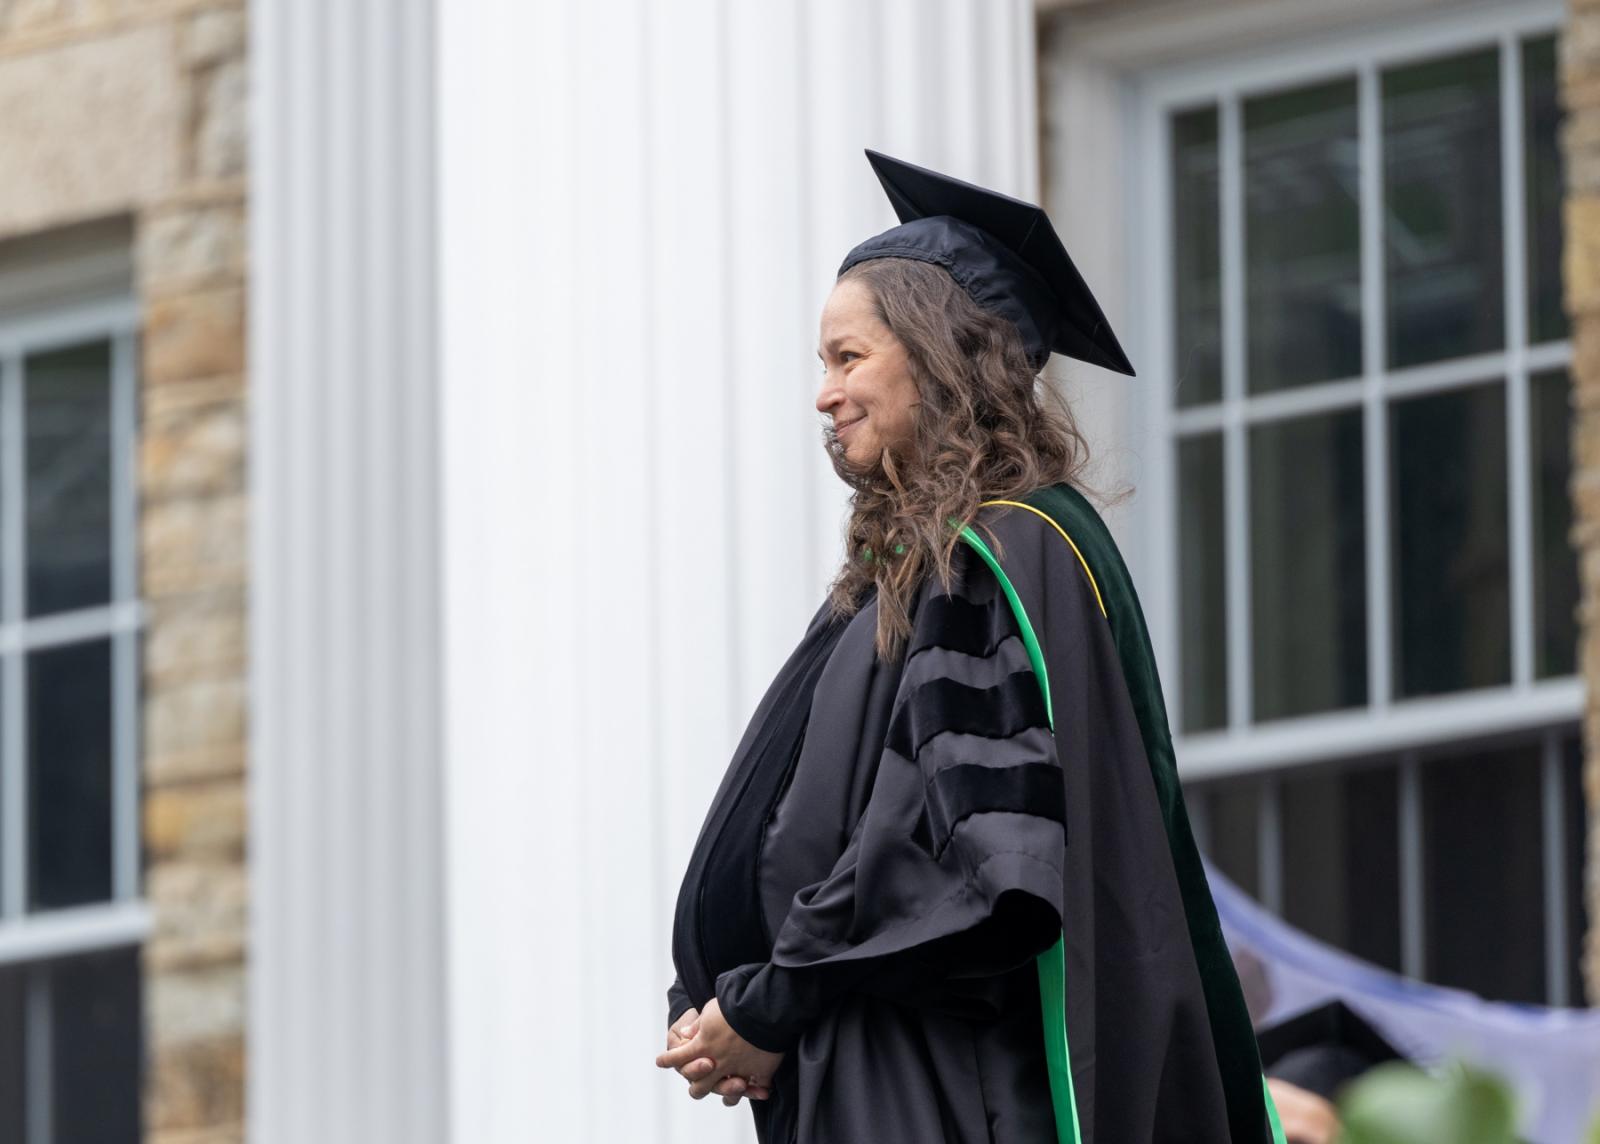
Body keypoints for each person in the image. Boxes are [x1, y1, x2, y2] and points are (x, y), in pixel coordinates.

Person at [655, 150, 1286, 1144]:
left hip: (943, 1086)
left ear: (941, 353)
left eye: (846, 357)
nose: (823, 394)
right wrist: (728, 1004)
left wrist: (770, 999)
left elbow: (971, 865)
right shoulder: (910, 575)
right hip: (860, 1062)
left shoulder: (995, 555)